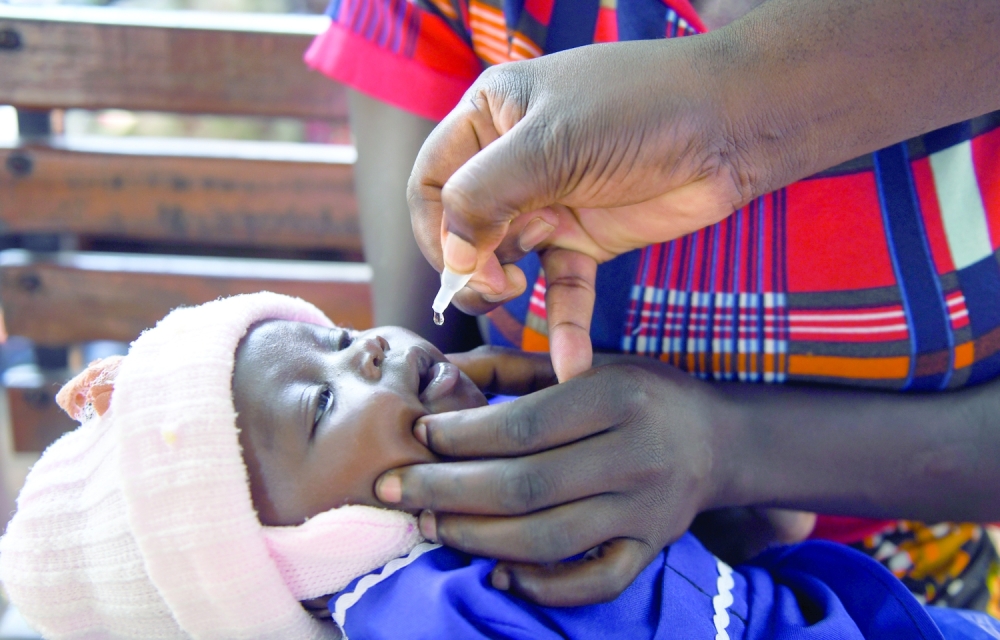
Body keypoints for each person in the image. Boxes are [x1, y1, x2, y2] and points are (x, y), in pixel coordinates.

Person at [304, 0, 1000, 614]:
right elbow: (420, 344)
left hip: (901, 583)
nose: (366, 351)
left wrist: (731, 449)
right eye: (321, 378)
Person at [3, 291, 1000, 640]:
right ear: (289, 553)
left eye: (339, 336)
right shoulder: (424, 613)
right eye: (319, 403)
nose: (371, 355)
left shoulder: (496, 443)